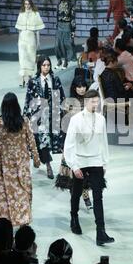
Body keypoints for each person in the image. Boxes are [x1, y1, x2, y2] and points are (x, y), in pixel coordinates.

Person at [64, 89, 114, 246]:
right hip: (80, 161)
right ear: (86, 102)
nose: (96, 104)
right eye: (93, 101)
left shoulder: (100, 119)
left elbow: (103, 141)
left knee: (98, 196)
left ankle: (101, 231)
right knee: (77, 192)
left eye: (97, 101)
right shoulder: (76, 119)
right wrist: (74, 165)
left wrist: (104, 161)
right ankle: (74, 218)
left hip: (96, 161)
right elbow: (69, 144)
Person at [0, 93, 40, 226]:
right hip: (21, 161)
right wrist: (36, 158)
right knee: (22, 190)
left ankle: (7, 221)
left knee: (5, 194)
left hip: (4, 164)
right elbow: (31, 140)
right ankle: (23, 219)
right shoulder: (23, 121)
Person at [24, 56, 65, 180]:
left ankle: (43, 161)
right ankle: (48, 165)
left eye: (48, 65)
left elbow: (61, 97)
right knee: (43, 141)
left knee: (51, 141)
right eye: (44, 65)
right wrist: (25, 115)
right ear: (39, 67)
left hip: (53, 115)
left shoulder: (55, 79)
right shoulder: (34, 81)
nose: (46, 67)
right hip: (39, 116)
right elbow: (28, 99)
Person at [55, 75, 93, 210]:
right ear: (74, 87)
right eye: (79, 86)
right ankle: (75, 195)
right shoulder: (68, 103)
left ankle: (86, 195)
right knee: (72, 169)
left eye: (84, 86)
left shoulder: (90, 102)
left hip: (86, 140)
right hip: (72, 140)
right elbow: (64, 123)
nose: (82, 89)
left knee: (84, 170)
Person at [15, 0, 45, 87]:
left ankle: (30, 79)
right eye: (25, 4)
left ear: (31, 4)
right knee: (23, 58)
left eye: (28, 4)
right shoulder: (21, 14)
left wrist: (38, 42)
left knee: (31, 58)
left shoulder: (35, 14)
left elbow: (37, 31)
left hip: (31, 38)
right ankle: (23, 78)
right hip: (22, 39)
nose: (27, 6)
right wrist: (18, 40)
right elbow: (19, 30)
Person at [55, 0, 76, 70]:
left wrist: (73, 30)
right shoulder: (58, 4)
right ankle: (59, 60)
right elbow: (57, 16)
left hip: (67, 26)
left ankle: (66, 62)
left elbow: (73, 18)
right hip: (59, 26)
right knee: (57, 45)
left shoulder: (71, 5)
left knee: (66, 44)